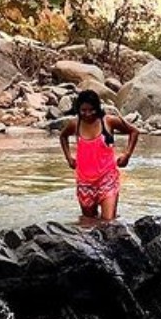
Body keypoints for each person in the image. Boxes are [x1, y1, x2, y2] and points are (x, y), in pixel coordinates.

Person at [58, 91, 138, 222]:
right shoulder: (75, 124)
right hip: (85, 182)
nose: (87, 114)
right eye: (83, 110)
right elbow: (63, 136)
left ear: (97, 108)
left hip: (107, 179)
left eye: (91, 110)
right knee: (88, 223)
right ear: (78, 109)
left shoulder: (108, 121)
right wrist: (69, 158)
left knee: (108, 222)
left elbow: (134, 131)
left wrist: (127, 155)